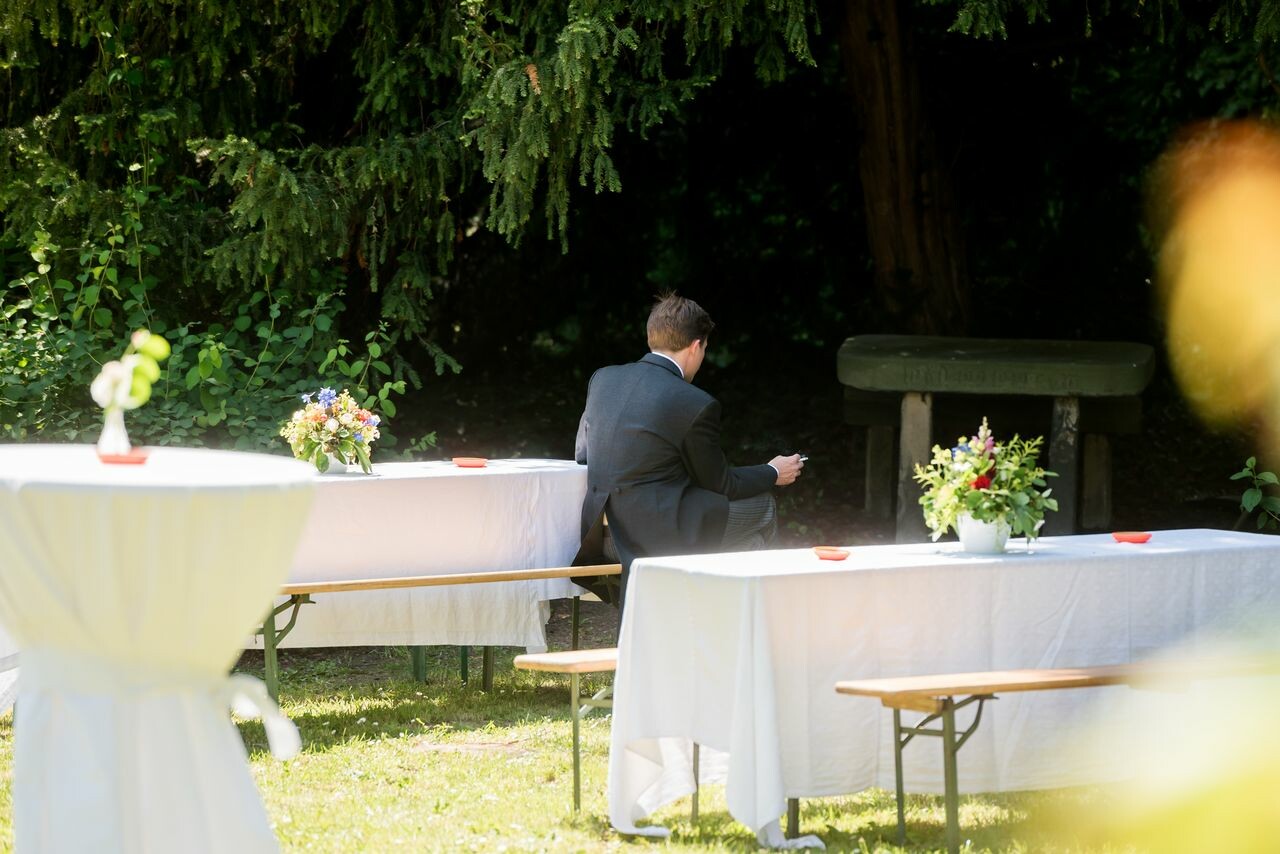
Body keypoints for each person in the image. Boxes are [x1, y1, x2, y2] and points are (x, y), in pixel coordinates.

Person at [572, 293, 804, 612]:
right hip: (655, 538)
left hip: (602, 536)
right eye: (705, 349)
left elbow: (583, 454)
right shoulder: (693, 402)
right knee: (763, 507)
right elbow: (721, 484)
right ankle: (758, 615)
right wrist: (773, 472)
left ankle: (714, 612)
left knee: (747, 540)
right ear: (696, 346)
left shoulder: (603, 379)